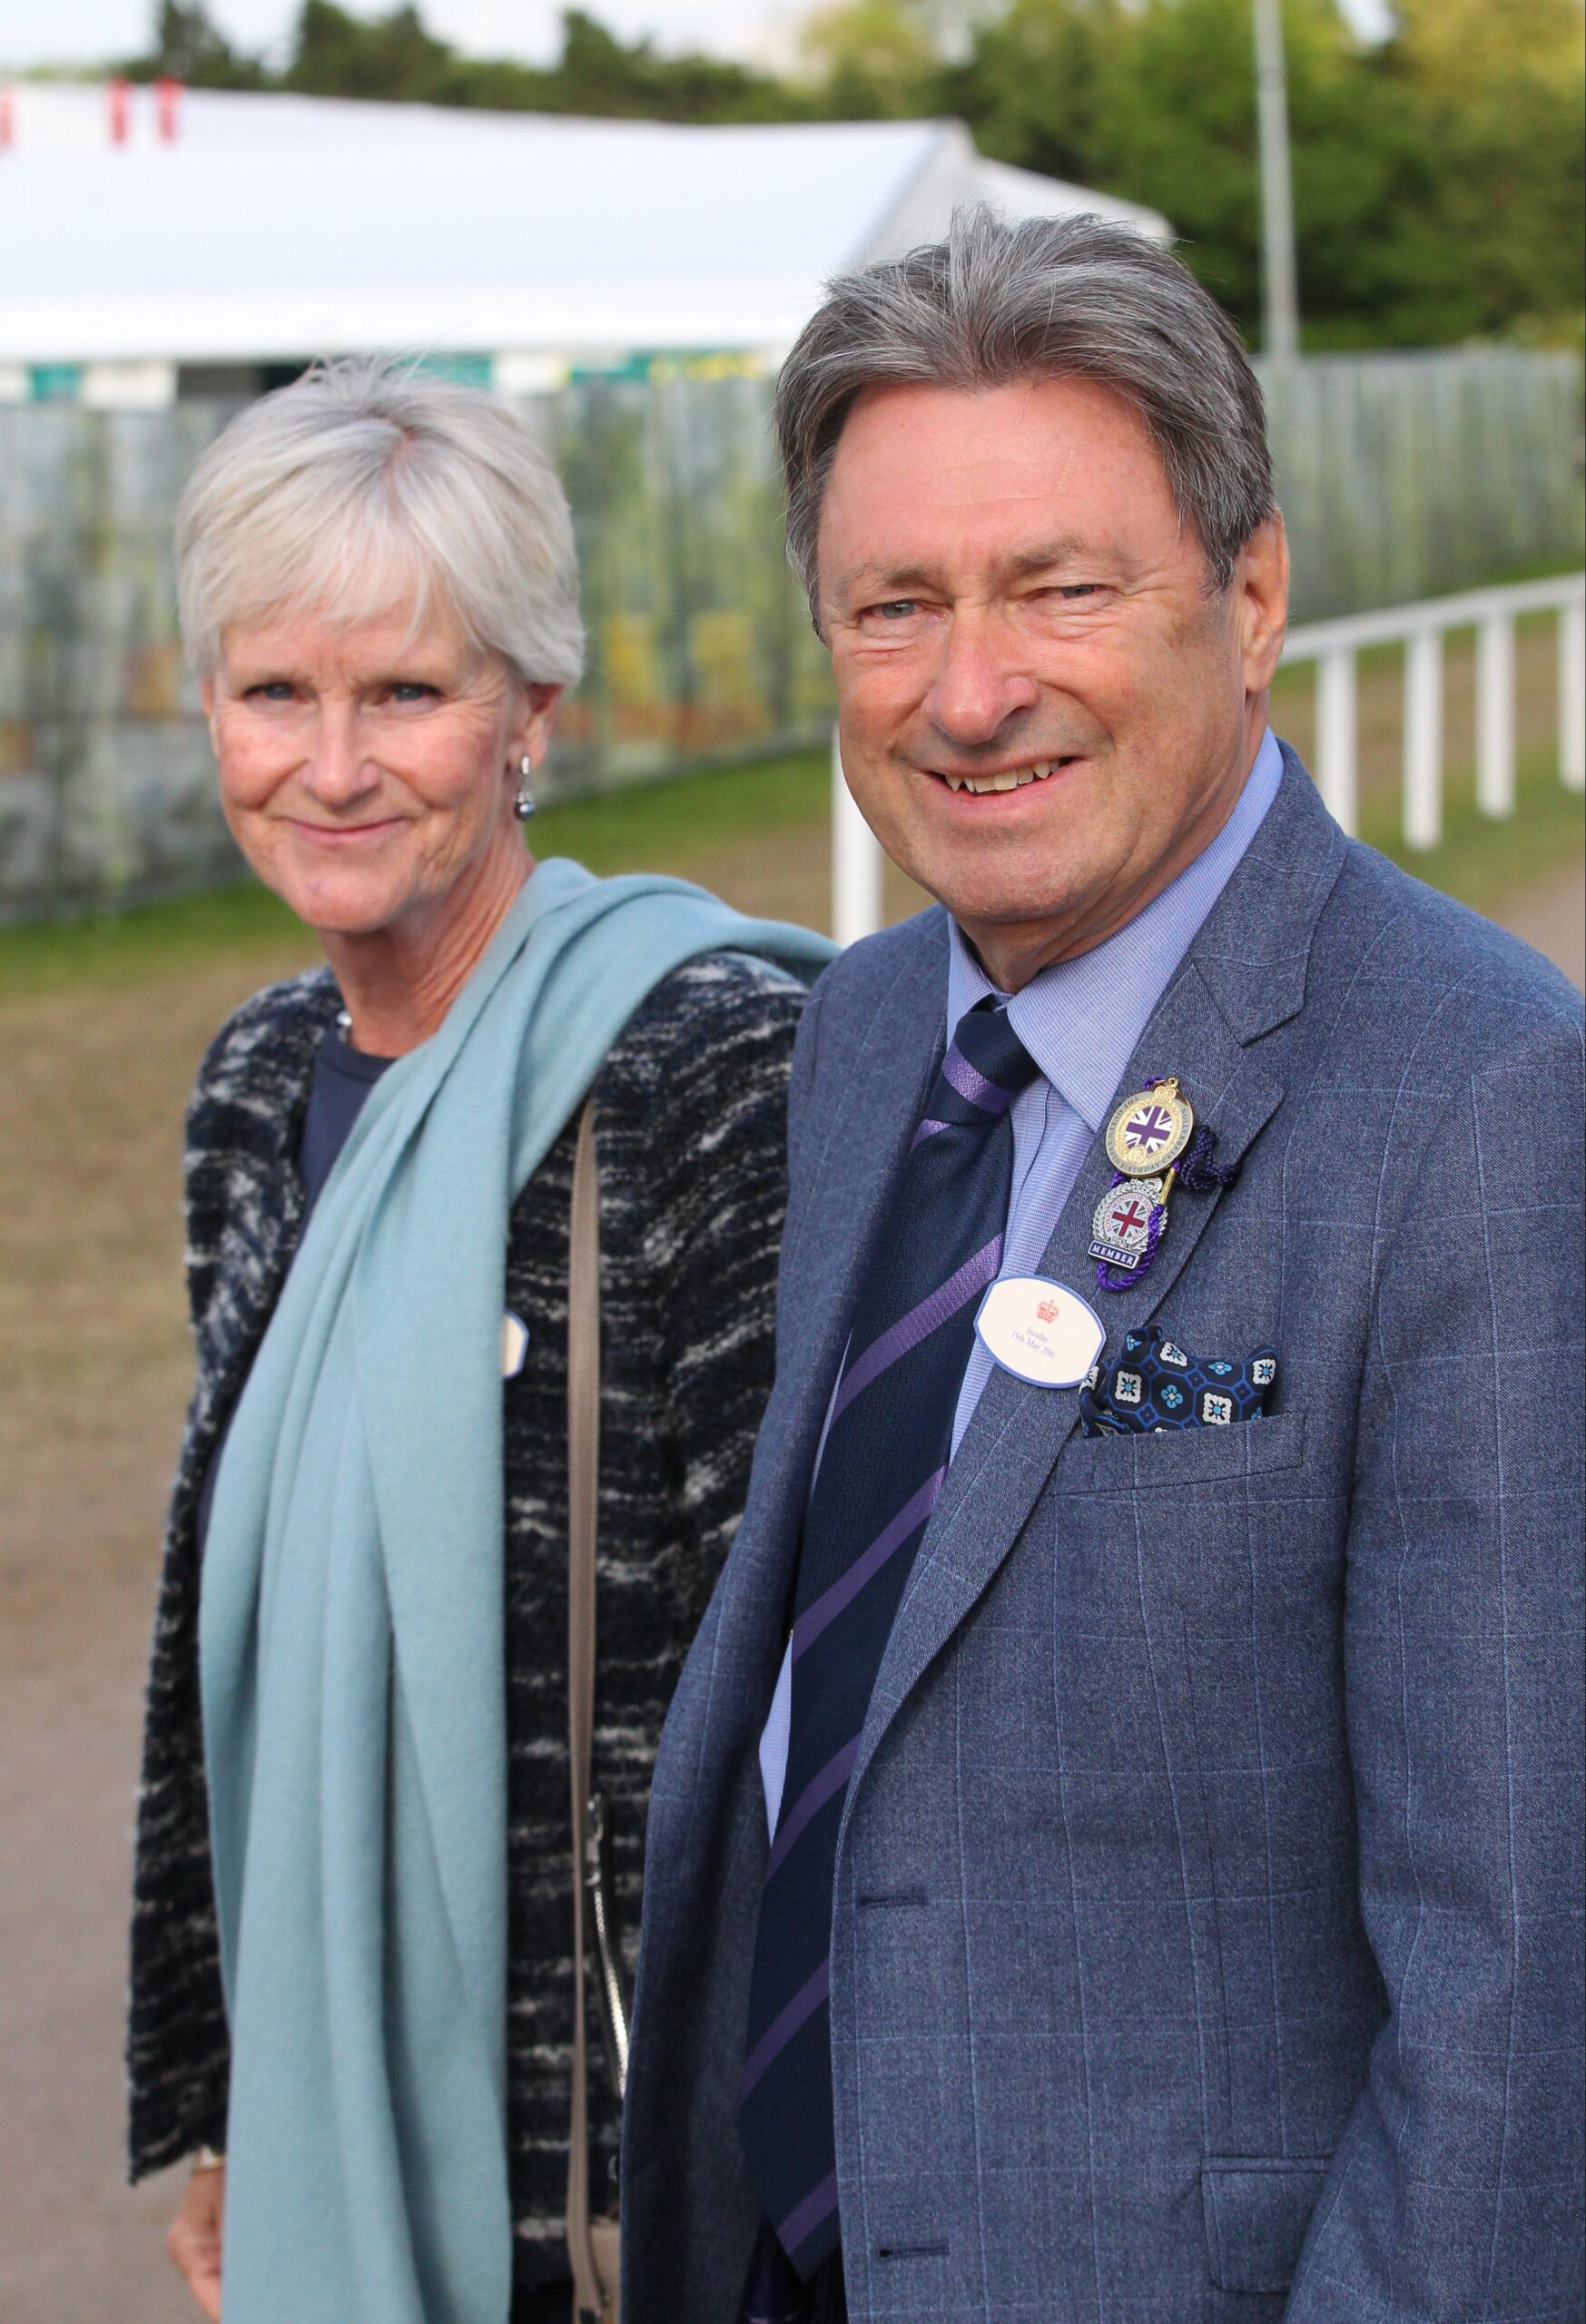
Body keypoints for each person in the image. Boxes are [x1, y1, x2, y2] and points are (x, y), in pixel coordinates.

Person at [622, 209, 1585, 2323]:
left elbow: (1519, 1998)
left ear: (1249, 598)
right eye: (894, 605)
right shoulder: (866, 1029)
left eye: (1063, 586)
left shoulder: (1485, 1103)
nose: (970, 691)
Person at [123, 359, 833, 2324]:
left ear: (532, 713)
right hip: (335, 2111)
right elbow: (245, 1650)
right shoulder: (258, 1084)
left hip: (642, 2183)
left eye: (406, 694)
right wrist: (243, 2104)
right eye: (276, 691)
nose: (331, 763)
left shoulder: (707, 1069)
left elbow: (813, 1701)